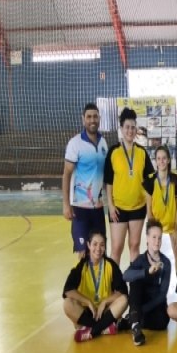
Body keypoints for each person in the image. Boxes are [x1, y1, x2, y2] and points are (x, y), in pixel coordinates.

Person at [104, 108, 154, 264]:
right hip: (118, 209)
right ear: (121, 128)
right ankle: (114, 286)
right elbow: (109, 181)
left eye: (133, 127)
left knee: (134, 246)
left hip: (138, 209)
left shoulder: (142, 153)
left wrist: (149, 209)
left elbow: (149, 183)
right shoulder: (113, 152)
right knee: (116, 248)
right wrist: (111, 206)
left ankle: (135, 286)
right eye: (127, 127)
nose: (130, 131)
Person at [62, 230, 128, 342]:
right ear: (88, 245)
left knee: (124, 300)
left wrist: (105, 301)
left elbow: (123, 291)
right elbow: (67, 291)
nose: (98, 248)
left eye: (102, 245)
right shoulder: (81, 266)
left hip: (105, 312)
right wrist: (88, 301)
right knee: (67, 303)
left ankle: (90, 331)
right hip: (87, 312)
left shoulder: (110, 265)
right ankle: (104, 328)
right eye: (95, 244)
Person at [62, 103, 108, 258]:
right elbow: (66, 174)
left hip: (98, 208)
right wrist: (66, 205)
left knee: (99, 251)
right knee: (83, 252)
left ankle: (99, 282)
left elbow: (106, 175)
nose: (92, 120)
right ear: (83, 120)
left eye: (95, 116)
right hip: (80, 208)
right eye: (89, 117)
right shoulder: (75, 143)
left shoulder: (103, 143)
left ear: (99, 118)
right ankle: (84, 282)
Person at [122, 220, 171, 346]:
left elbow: (162, 295)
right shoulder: (140, 259)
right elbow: (125, 276)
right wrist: (146, 272)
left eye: (159, 238)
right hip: (141, 300)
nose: (157, 241)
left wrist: (140, 311)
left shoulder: (166, 263)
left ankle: (133, 320)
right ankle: (136, 329)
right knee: (135, 281)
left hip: (154, 305)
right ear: (147, 239)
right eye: (154, 237)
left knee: (162, 322)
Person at [143, 145, 177, 271]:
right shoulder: (150, 181)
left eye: (164, 158)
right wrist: (151, 230)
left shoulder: (176, 180)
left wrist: (176, 227)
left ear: (169, 160)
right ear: (155, 161)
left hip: (172, 223)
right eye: (159, 158)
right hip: (156, 222)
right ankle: (153, 284)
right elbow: (149, 208)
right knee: (153, 256)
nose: (161, 161)